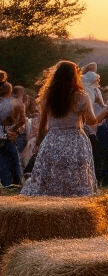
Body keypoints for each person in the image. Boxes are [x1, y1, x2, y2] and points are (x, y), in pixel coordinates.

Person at [21, 60, 98, 197]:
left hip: (52, 140)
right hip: (75, 141)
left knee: (49, 180)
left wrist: (39, 143)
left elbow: (42, 123)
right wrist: (105, 112)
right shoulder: (81, 96)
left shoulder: (48, 96)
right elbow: (92, 120)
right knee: (77, 179)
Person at [0, 81, 26, 186]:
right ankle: (16, 182)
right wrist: (14, 130)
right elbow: (22, 121)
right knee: (14, 160)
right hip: (10, 136)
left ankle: (6, 182)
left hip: (3, 135)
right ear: (10, 91)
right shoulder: (16, 103)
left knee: (2, 162)